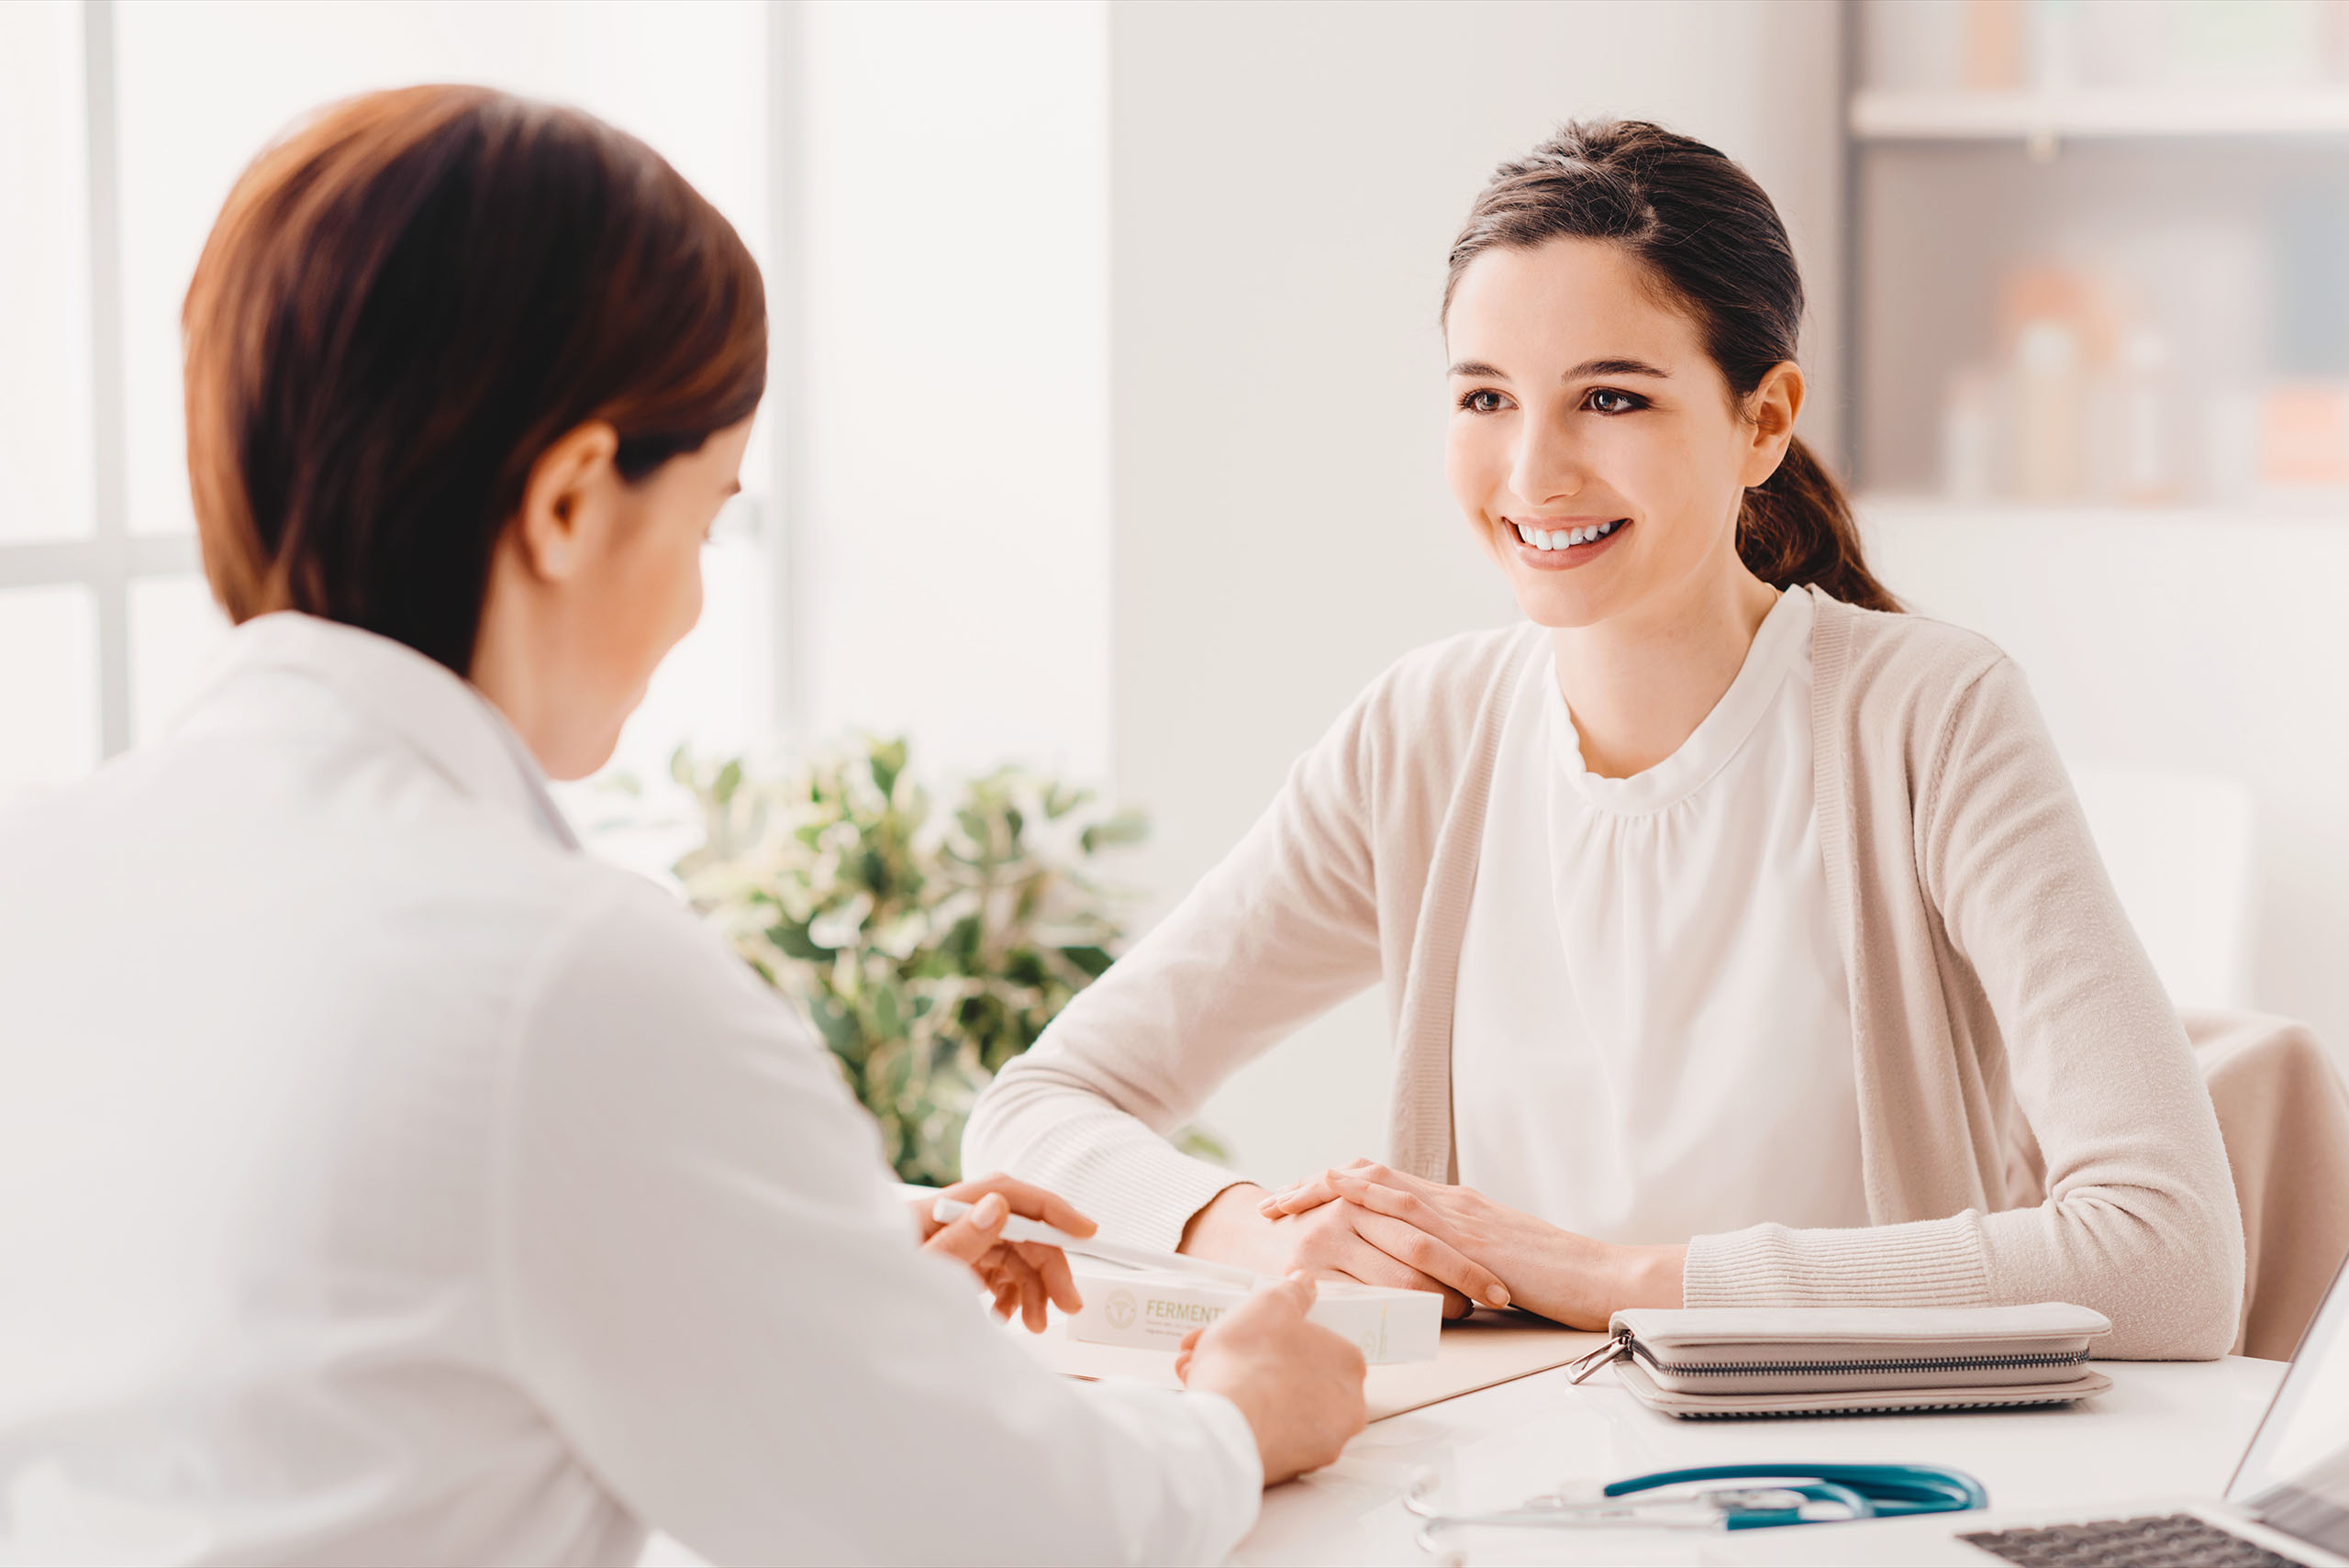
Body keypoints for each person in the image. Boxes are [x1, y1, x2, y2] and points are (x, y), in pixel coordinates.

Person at [0, 85, 1364, 1568]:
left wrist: (788, 1257)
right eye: (707, 513)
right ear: (575, 501)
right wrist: (1235, 1415)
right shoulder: (555, 978)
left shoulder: (45, 869)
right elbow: (1006, 1528)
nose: (700, 597)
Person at [962, 119, 2245, 1360]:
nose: (1533, 472)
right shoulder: (1426, 735)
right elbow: (1036, 1107)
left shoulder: (1927, 716)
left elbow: (2170, 1254)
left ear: (1762, 420)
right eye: (1485, 397)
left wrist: (1621, 1283)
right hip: (1514, 1477)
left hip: (1856, 1488)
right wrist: (1258, 1232)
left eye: (1611, 398)